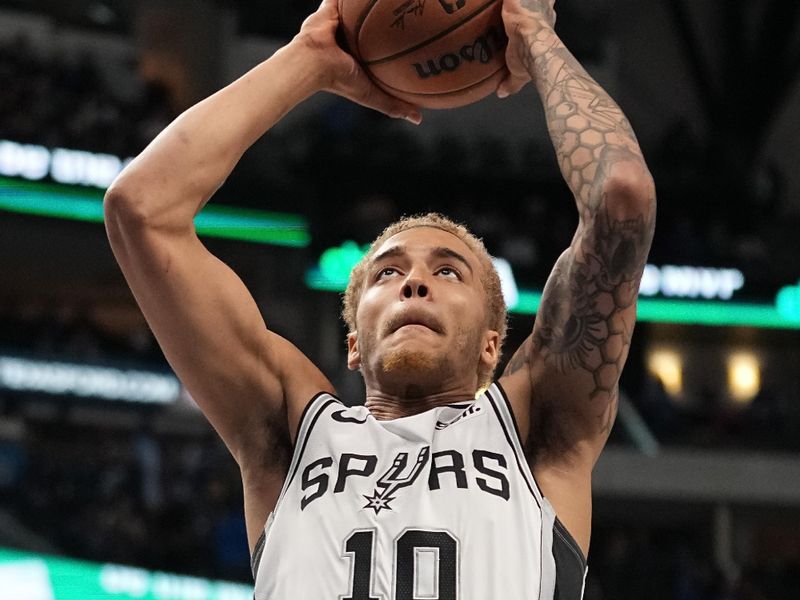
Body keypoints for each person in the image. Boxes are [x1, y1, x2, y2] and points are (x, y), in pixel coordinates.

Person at [104, 0, 656, 597]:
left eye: (449, 273)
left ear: (493, 345)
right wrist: (308, 57)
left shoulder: (535, 429)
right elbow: (141, 210)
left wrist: (536, 39)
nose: (414, 281)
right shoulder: (291, 434)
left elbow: (621, 200)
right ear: (352, 343)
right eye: (387, 273)